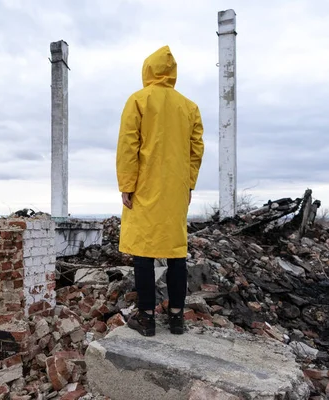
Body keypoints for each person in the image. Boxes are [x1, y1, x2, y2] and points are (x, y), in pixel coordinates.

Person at [116, 45, 205, 336]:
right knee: (176, 252)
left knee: (144, 252)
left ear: (148, 70)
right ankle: (177, 318)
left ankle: (147, 318)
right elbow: (196, 151)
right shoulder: (189, 107)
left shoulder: (138, 100)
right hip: (176, 189)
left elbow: (128, 145)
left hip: (144, 187)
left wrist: (127, 185)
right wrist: (189, 184)